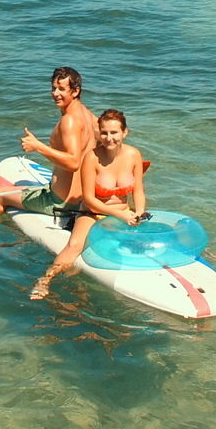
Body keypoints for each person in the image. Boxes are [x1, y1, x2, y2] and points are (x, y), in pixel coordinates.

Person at [30, 109, 148, 300]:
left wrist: (139, 213)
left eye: (114, 132)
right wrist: (121, 216)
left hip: (125, 212)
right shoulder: (92, 158)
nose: (109, 138)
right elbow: (90, 199)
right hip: (93, 213)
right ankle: (44, 281)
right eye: (104, 133)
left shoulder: (134, 155)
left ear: (124, 132)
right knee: (75, 246)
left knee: (151, 239)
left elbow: (139, 191)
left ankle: (208, 254)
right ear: (99, 133)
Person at [0, 66, 95, 220]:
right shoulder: (89, 116)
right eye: (53, 88)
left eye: (61, 89)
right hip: (82, 198)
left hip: (61, 202)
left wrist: (38, 146)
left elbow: (74, 162)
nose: (55, 93)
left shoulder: (69, 121)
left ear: (75, 91)